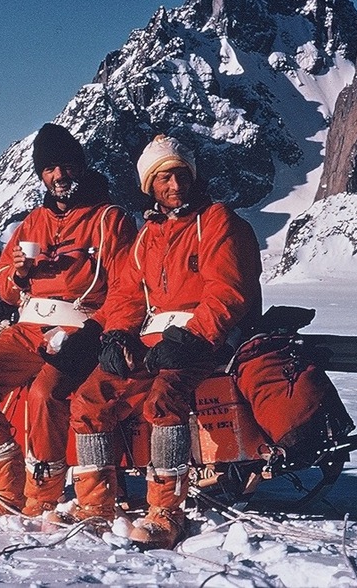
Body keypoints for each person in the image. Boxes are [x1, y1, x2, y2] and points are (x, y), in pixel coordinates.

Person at [67, 135, 262, 549]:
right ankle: (96, 506)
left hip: (206, 337)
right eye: (163, 179)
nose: (174, 186)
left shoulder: (216, 221)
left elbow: (228, 292)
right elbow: (127, 295)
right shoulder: (145, 238)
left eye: (179, 175)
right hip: (155, 338)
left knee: (163, 398)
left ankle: (165, 510)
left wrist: (193, 337)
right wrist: (117, 333)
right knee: (90, 397)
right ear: (149, 187)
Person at [0, 123, 137, 524]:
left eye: (67, 165)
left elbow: (127, 288)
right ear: (40, 174)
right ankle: (7, 488)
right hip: (28, 326)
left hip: (80, 328)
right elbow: (1, 287)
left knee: (43, 395)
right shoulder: (32, 222)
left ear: (81, 167)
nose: (59, 175)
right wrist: (17, 274)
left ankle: (44, 495)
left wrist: (95, 332)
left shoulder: (110, 220)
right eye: (50, 168)